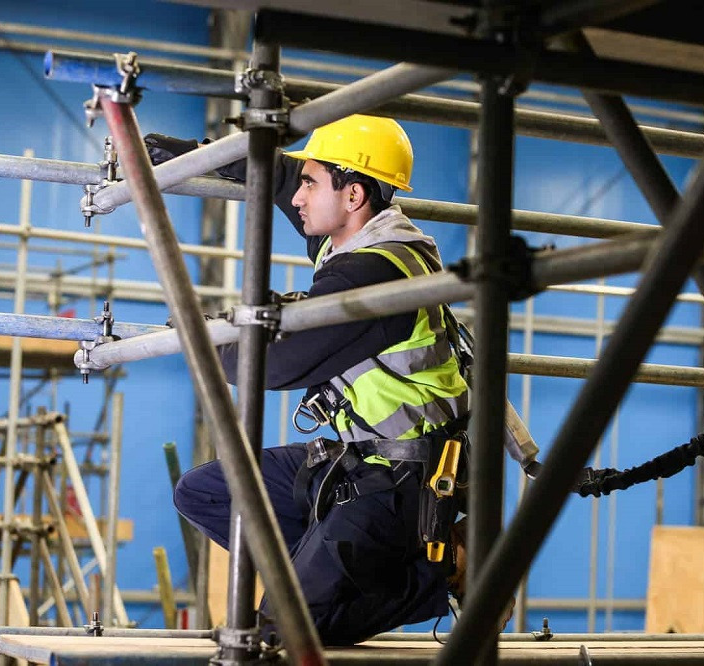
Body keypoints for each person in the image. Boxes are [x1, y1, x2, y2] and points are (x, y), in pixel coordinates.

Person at [148, 115, 472, 646]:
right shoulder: (355, 236)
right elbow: (280, 173)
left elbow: (272, 364)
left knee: (285, 628)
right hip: (352, 460)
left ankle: (442, 580)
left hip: (400, 481)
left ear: (353, 195)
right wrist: (197, 156)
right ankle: (324, 573)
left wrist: (195, 336)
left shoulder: (376, 276)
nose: (297, 197)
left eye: (311, 184)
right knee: (205, 493)